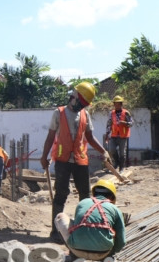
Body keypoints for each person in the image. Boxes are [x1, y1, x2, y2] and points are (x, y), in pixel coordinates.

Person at [39, 81, 113, 239]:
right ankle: (56, 232)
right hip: (62, 160)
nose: (81, 107)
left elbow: (90, 137)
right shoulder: (58, 113)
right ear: (74, 97)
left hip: (80, 160)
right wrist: (44, 156)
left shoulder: (85, 115)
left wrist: (103, 151)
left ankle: (84, 228)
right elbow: (50, 137)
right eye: (81, 103)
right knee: (61, 195)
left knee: (85, 196)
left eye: (84, 105)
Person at [55, 179, 126, 260]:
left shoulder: (82, 203)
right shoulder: (115, 209)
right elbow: (121, 241)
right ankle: (106, 259)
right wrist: (112, 252)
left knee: (60, 216)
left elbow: (76, 227)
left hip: (77, 251)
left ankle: (73, 255)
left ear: (94, 193)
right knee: (114, 229)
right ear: (112, 197)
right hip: (103, 253)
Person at [105, 95, 132, 172]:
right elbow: (109, 124)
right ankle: (116, 163)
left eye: (118, 104)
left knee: (122, 153)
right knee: (112, 149)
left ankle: (121, 167)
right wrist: (107, 133)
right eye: (115, 104)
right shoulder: (111, 113)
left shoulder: (126, 113)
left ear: (121, 104)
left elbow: (131, 123)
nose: (116, 106)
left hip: (123, 136)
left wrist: (125, 123)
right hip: (113, 135)